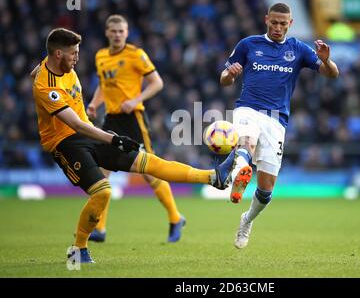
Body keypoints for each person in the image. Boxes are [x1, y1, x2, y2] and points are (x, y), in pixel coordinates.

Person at [32, 28, 234, 263]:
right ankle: (78, 250)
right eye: (73, 54)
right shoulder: (46, 87)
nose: (77, 58)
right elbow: (76, 125)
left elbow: (39, 71)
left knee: (149, 162)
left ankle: (212, 177)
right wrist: (113, 138)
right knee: (103, 191)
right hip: (65, 144)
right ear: (58, 54)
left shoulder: (56, 64)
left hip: (90, 133)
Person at [220, 3, 339, 249]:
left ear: (290, 24)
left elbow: (332, 75)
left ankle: (247, 219)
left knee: (266, 192)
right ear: (266, 20)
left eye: (283, 24)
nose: (277, 27)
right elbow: (223, 80)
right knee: (246, 141)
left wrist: (326, 61)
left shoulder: (298, 49)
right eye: (274, 22)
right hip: (248, 109)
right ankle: (239, 173)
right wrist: (231, 75)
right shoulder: (248, 44)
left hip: (276, 120)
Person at [85, 15, 184, 243]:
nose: (117, 34)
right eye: (114, 31)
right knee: (102, 173)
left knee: (149, 173)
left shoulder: (136, 55)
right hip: (111, 120)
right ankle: (99, 228)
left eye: (121, 31)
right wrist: (94, 103)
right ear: (107, 33)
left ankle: (175, 217)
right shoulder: (100, 56)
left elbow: (157, 82)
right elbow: (104, 85)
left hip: (134, 119)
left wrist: (136, 99)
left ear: (126, 32)